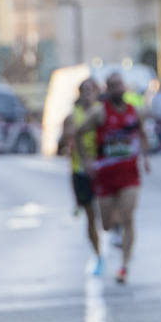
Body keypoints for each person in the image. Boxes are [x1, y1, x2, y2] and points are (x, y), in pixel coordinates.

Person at [73, 72, 150, 284]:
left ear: (125, 87)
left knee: (129, 217)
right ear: (107, 89)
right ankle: (115, 227)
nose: (118, 89)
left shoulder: (134, 111)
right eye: (113, 85)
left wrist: (145, 157)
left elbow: (142, 133)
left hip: (129, 174)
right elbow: (78, 132)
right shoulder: (100, 113)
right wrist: (86, 160)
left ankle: (124, 266)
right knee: (106, 224)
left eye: (120, 85)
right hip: (105, 177)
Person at [61, 78, 105, 275]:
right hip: (80, 170)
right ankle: (98, 255)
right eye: (84, 89)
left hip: (103, 170)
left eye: (91, 89)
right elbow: (66, 138)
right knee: (91, 216)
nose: (88, 93)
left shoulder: (102, 112)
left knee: (106, 213)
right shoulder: (72, 116)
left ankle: (115, 232)